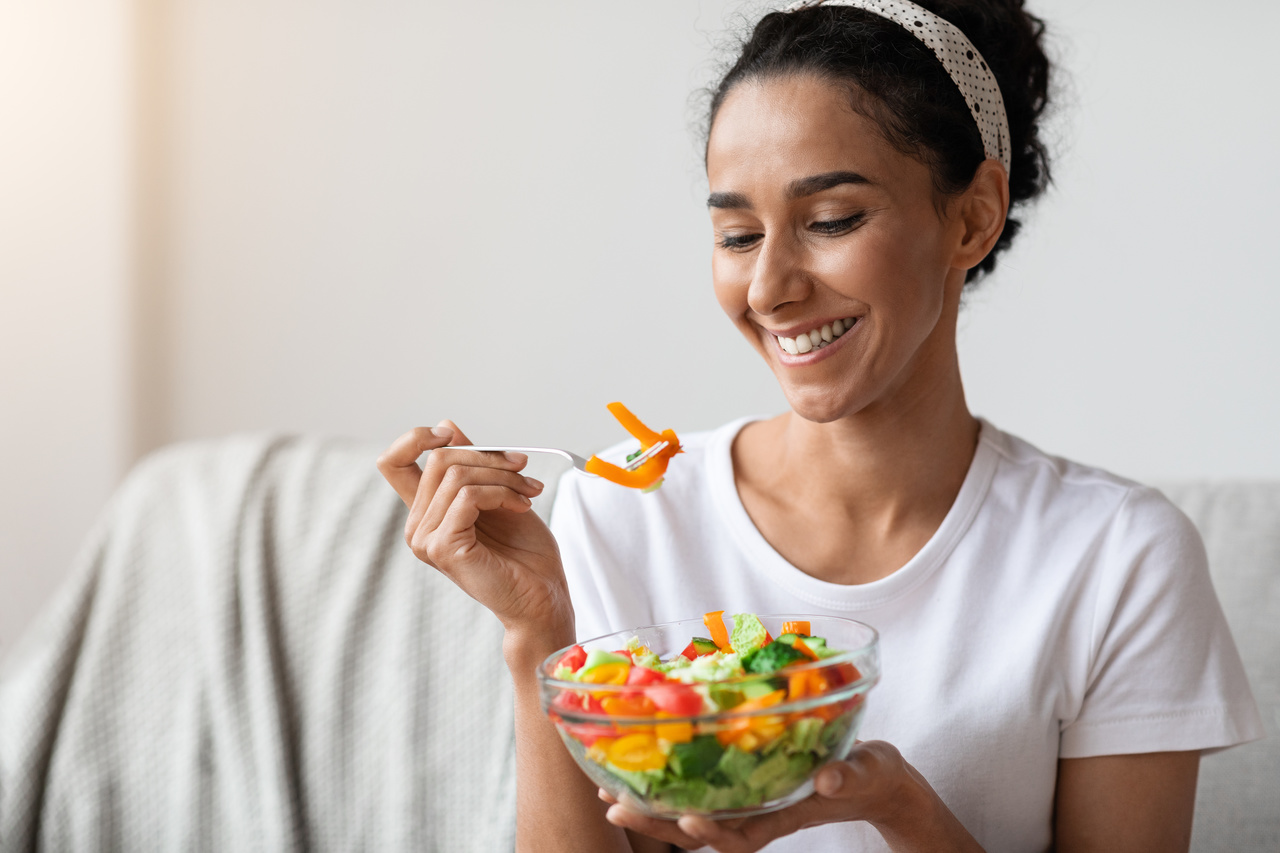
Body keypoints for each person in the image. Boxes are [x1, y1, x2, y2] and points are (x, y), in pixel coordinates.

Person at [377, 1, 1263, 850]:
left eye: (831, 220)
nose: (768, 289)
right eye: (735, 234)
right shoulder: (623, 509)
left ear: (973, 216)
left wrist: (900, 808)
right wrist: (538, 631)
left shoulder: (1118, 556)